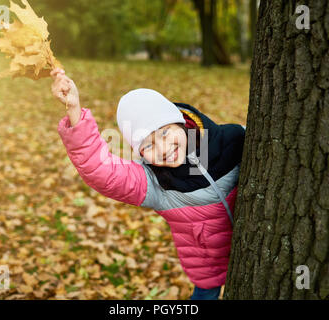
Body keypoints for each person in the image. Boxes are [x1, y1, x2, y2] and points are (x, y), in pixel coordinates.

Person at [51, 68, 245, 300]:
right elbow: (101, 169)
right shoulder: (155, 183)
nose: (163, 150)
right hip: (208, 267)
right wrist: (74, 109)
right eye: (148, 145)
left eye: (165, 133)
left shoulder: (229, 140)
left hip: (253, 250)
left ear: (181, 123)